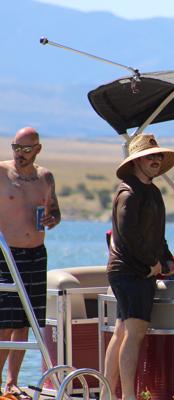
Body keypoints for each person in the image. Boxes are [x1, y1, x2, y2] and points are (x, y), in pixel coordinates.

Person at [103, 134, 174, 400]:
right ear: (136, 161)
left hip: (138, 271)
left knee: (122, 331)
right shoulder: (129, 192)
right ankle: (127, 396)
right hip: (129, 272)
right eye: (150, 156)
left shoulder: (153, 192)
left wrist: (167, 261)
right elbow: (128, 235)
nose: (156, 160)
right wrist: (152, 263)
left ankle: (107, 395)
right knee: (134, 333)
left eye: (158, 155)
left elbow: (158, 236)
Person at [0, 126, 60, 399]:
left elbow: (55, 211)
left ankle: (12, 383)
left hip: (35, 254)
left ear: (38, 149)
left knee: (26, 322)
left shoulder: (45, 177)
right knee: (5, 322)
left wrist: (52, 218)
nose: (20, 154)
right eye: (16, 147)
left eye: (26, 149)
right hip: (6, 255)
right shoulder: (2, 172)